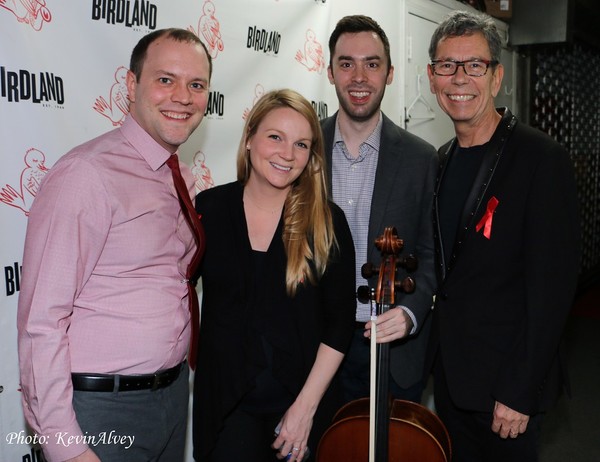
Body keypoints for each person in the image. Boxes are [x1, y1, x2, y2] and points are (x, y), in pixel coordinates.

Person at [17, 28, 212, 462]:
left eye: (196, 85)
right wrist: (65, 448)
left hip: (173, 396)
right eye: (166, 80)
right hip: (102, 409)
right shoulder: (87, 174)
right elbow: (41, 320)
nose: (182, 96)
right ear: (130, 85)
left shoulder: (178, 175)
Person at [425, 10, 581, 462]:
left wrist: (519, 389)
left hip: (506, 389)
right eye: (446, 66)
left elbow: (552, 289)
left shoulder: (540, 158)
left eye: (474, 65)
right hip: (453, 379)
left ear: (496, 76)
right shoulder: (440, 160)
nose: (460, 78)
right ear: (432, 78)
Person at [192, 89, 356, 462]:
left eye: (301, 144)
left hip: (300, 410)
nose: (287, 154)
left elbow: (339, 326)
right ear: (249, 138)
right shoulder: (210, 210)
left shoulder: (327, 222)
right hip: (225, 411)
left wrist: (304, 410)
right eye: (275, 137)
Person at [322, 14, 438, 405]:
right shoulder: (302, 149)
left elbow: (430, 255)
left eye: (372, 64)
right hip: (317, 347)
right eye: (346, 63)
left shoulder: (422, 159)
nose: (359, 77)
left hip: (394, 348)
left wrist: (411, 312)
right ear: (329, 71)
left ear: (389, 73)